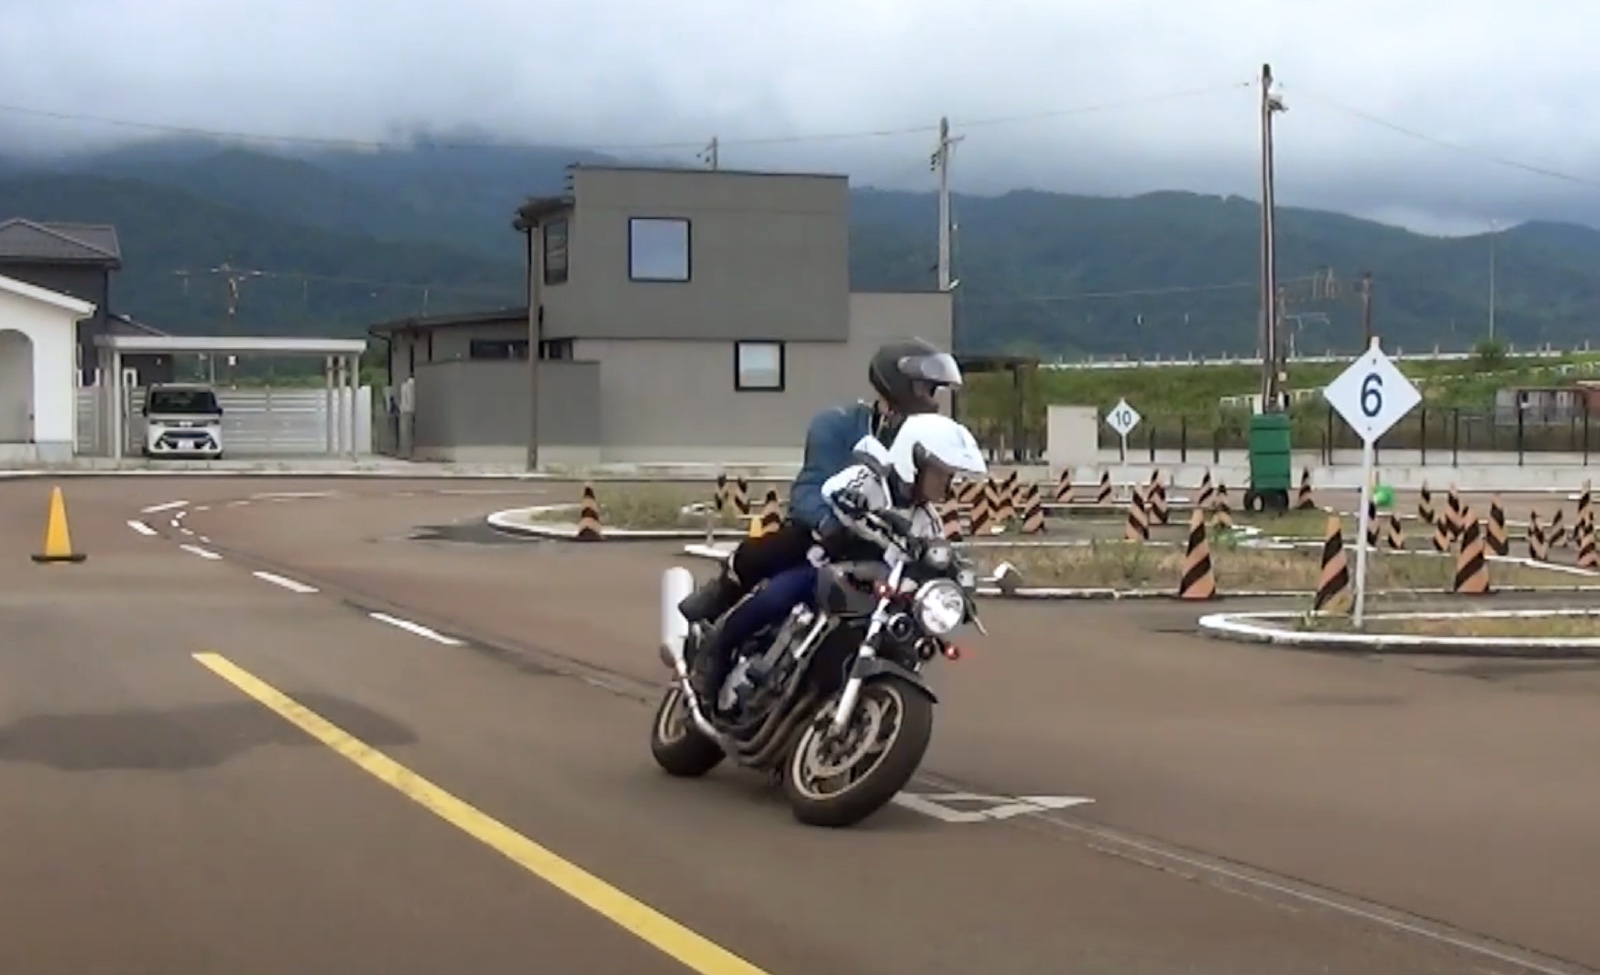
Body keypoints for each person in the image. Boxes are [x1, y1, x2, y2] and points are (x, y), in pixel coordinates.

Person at [693, 412, 988, 713]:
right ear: (913, 461)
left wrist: (955, 583)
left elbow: (937, 554)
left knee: (904, 639)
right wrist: (849, 506)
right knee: (778, 595)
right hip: (830, 568)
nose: (947, 484)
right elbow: (832, 490)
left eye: (950, 476)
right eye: (941, 474)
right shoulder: (870, 480)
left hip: (872, 593)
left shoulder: (928, 521)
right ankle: (716, 654)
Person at [678, 337, 964, 627]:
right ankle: (721, 608)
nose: (934, 401)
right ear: (902, 386)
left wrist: (950, 565)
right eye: (928, 390)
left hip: (887, 556)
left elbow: (926, 505)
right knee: (771, 587)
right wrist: (830, 524)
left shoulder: (928, 444)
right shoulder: (838, 424)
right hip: (826, 543)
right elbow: (809, 489)